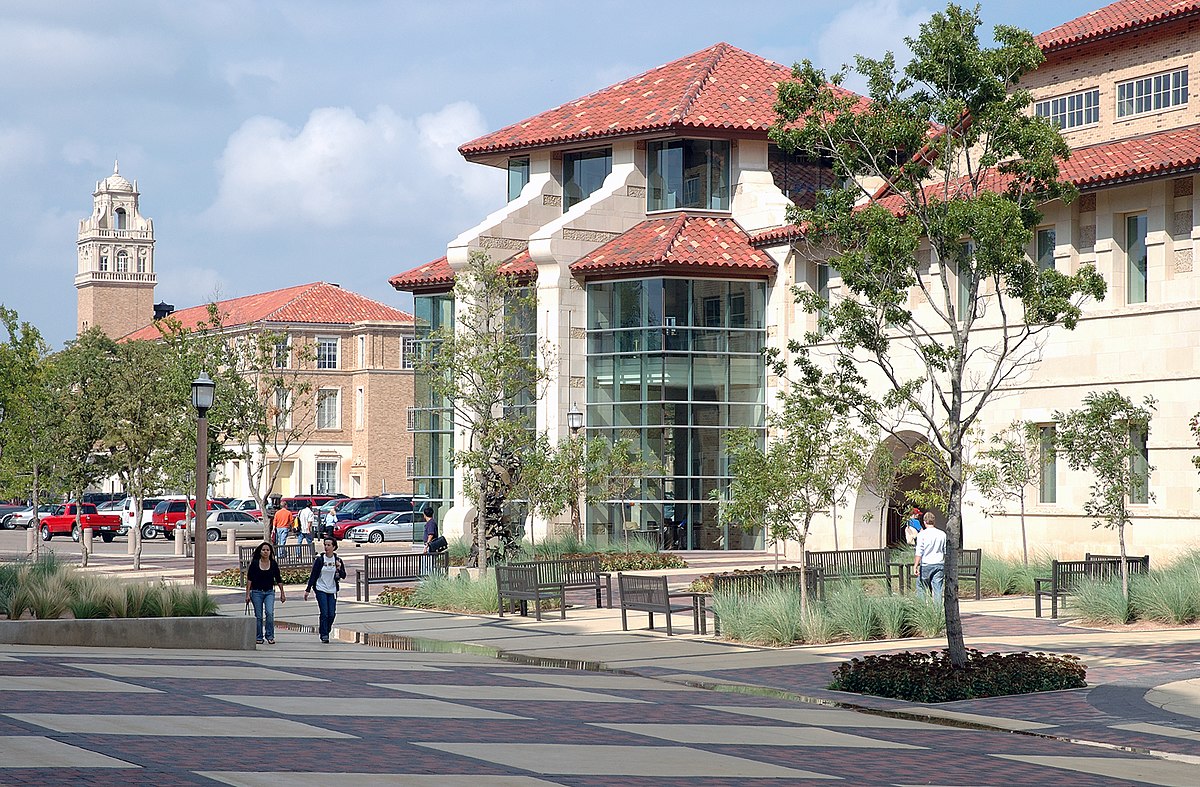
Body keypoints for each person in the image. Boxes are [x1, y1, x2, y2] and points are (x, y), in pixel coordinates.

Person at [304, 537, 346, 643]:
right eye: (325, 545)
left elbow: (343, 576)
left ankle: (326, 629)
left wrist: (339, 568)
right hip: (320, 588)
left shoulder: (338, 560)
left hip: (332, 589)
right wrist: (308, 589)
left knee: (331, 613)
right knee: (324, 612)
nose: (326, 547)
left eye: (329, 545)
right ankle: (324, 634)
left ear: (334, 547)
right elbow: (313, 575)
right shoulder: (320, 560)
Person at [245, 541, 285, 645]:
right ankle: (259, 637)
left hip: (269, 592)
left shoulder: (273, 564)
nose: (265, 552)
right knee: (258, 616)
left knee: (269, 613)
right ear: (260, 551)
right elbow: (249, 580)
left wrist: (282, 593)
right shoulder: (254, 564)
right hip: (256, 592)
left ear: (270, 552)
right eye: (263, 550)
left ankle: (270, 636)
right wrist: (247, 594)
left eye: (267, 550)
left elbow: (278, 579)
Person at [912, 511, 947, 601]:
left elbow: (919, 551)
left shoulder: (921, 535)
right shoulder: (942, 534)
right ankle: (937, 611)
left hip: (926, 564)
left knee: (921, 587)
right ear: (934, 521)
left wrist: (915, 565)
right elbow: (945, 550)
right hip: (939, 563)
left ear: (924, 522)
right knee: (938, 590)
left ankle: (922, 608)